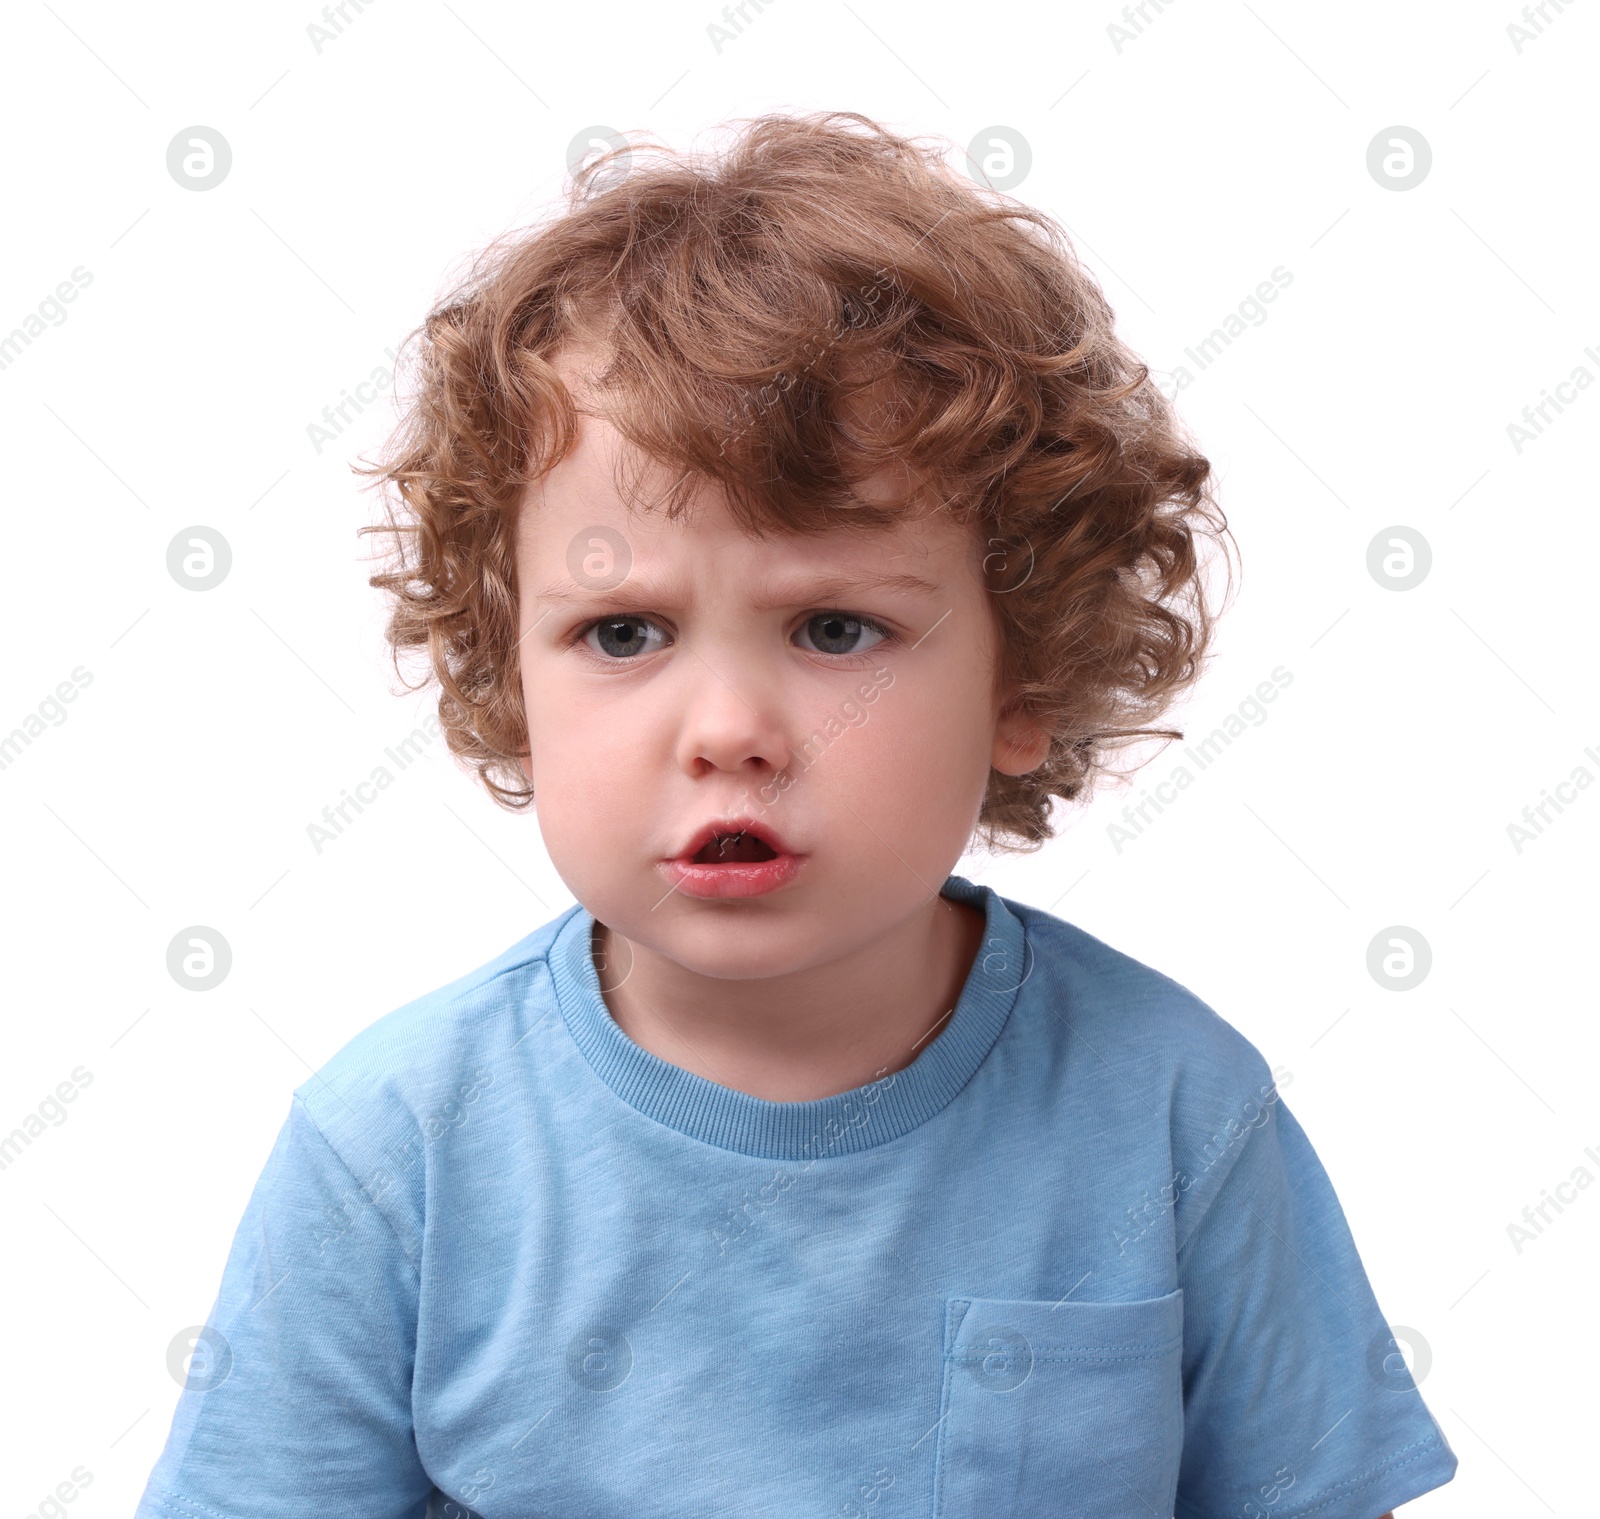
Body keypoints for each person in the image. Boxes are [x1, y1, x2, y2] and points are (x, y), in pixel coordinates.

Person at [135, 110, 1456, 1518]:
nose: (729, 733)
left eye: (835, 627)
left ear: (1025, 669)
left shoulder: (1176, 1113)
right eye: (625, 634)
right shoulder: (397, 1149)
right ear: (509, 672)